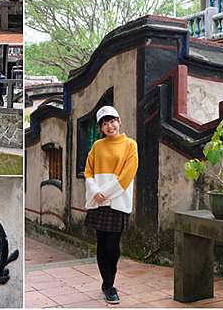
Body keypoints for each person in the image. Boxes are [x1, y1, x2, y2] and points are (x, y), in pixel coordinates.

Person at [84, 105, 138, 305]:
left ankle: (108, 282)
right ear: (101, 127)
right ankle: (109, 286)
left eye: (112, 121)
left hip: (117, 201)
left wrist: (104, 193)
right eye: (104, 123)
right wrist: (95, 192)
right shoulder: (97, 146)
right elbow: (88, 171)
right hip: (98, 202)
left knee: (113, 247)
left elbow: (128, 174)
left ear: (119, 121)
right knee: (101, 245)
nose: (109, 126)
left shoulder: (130, 145)